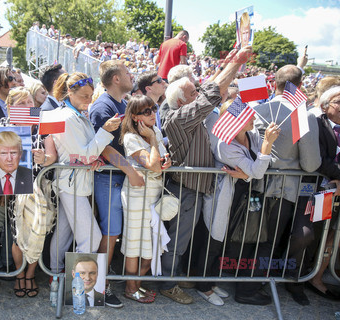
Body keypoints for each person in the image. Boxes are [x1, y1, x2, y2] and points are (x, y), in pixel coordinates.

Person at [160, 47, 252, 305]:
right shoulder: (178, 118)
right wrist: (235, 62)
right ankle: (168, 282)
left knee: (190, 238)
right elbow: (213, 93)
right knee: (178, 240)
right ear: (181, 101)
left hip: (196, 187)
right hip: (184, 188)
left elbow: (214, 93)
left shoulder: (187, 112)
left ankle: (179, 275)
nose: (198, 95)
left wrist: (234, 65)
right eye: (193, 93)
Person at [198, 98, 280, 306]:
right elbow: (258, 170)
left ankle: (212, 281)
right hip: (224, 197)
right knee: (213, 242)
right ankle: (202, 287)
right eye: (247, 116)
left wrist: (247, 175)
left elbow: (261, 167)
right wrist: (267, 145)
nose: (253, 118)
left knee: (226, 243)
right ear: (234, 121)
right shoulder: (225, 145)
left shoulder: (251, 135)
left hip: (243, 196)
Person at [253, 64, 321, 306]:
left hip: (256, 182)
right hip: (287, 188)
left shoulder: (257, 108)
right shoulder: (303, 113)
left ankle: (253, 282)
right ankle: (257, 285)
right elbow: (311, 163)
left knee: (258, 237)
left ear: (274, 84)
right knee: (270, 239)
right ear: (300, 86)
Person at [49, 72, 121, 280]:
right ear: (70, 93)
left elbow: (85, 152)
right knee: (90, 238)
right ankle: (78, 285)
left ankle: (56, 277)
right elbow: (86, 153)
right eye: (84, 96)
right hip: (71, 184)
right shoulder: (67, 117)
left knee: (64, 233)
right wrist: (105, 131)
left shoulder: (75, 114)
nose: (89, 101)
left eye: (91, 96)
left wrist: (92, 157)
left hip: (73, 182)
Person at [89, 60, 145, 308]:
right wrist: (131, 170)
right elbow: (105, 146)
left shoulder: (121, 103)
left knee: (114, 233)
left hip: (119, 178)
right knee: (110, 233)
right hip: (108, 179)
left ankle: (104, 282)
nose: (132, 76)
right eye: (127, 73)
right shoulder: (103, 106)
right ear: (116, 79)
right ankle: (100, 286)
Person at [0, 87, 57, 298]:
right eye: (21, 103)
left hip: (40, 187)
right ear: (10, 106)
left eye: (30, 102)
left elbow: (52, 156)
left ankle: (31, 275)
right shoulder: (3, 125)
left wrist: (45, 158)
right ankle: (19, 275)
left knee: (37, 232)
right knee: (17, 234)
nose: (27, 106)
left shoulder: (43, 123)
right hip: (13, 187)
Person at [120, 95, 171, 303]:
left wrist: (166, 161)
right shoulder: (131, 138)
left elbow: (161, 160)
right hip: (136, 195)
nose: (153, 113)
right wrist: (152, 141)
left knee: (149, 246)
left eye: (154, 108)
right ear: (134, 116)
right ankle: (131, 289)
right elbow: (153, 165)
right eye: (146, 111)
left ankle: (136, 286)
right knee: (134, 245)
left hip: (153, 193)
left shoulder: (155, 131)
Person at [308, 86, 340, 301]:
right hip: (319, 192)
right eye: (339, 101)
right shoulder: (316, 124)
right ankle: (307, 276)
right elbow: (320, 160)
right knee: (313, 235)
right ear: (325, 106)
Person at [0, 131, 33, 195]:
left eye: (13, 153)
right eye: (4, 153)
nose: (9, 159)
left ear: (20, 154)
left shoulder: (30, 176)